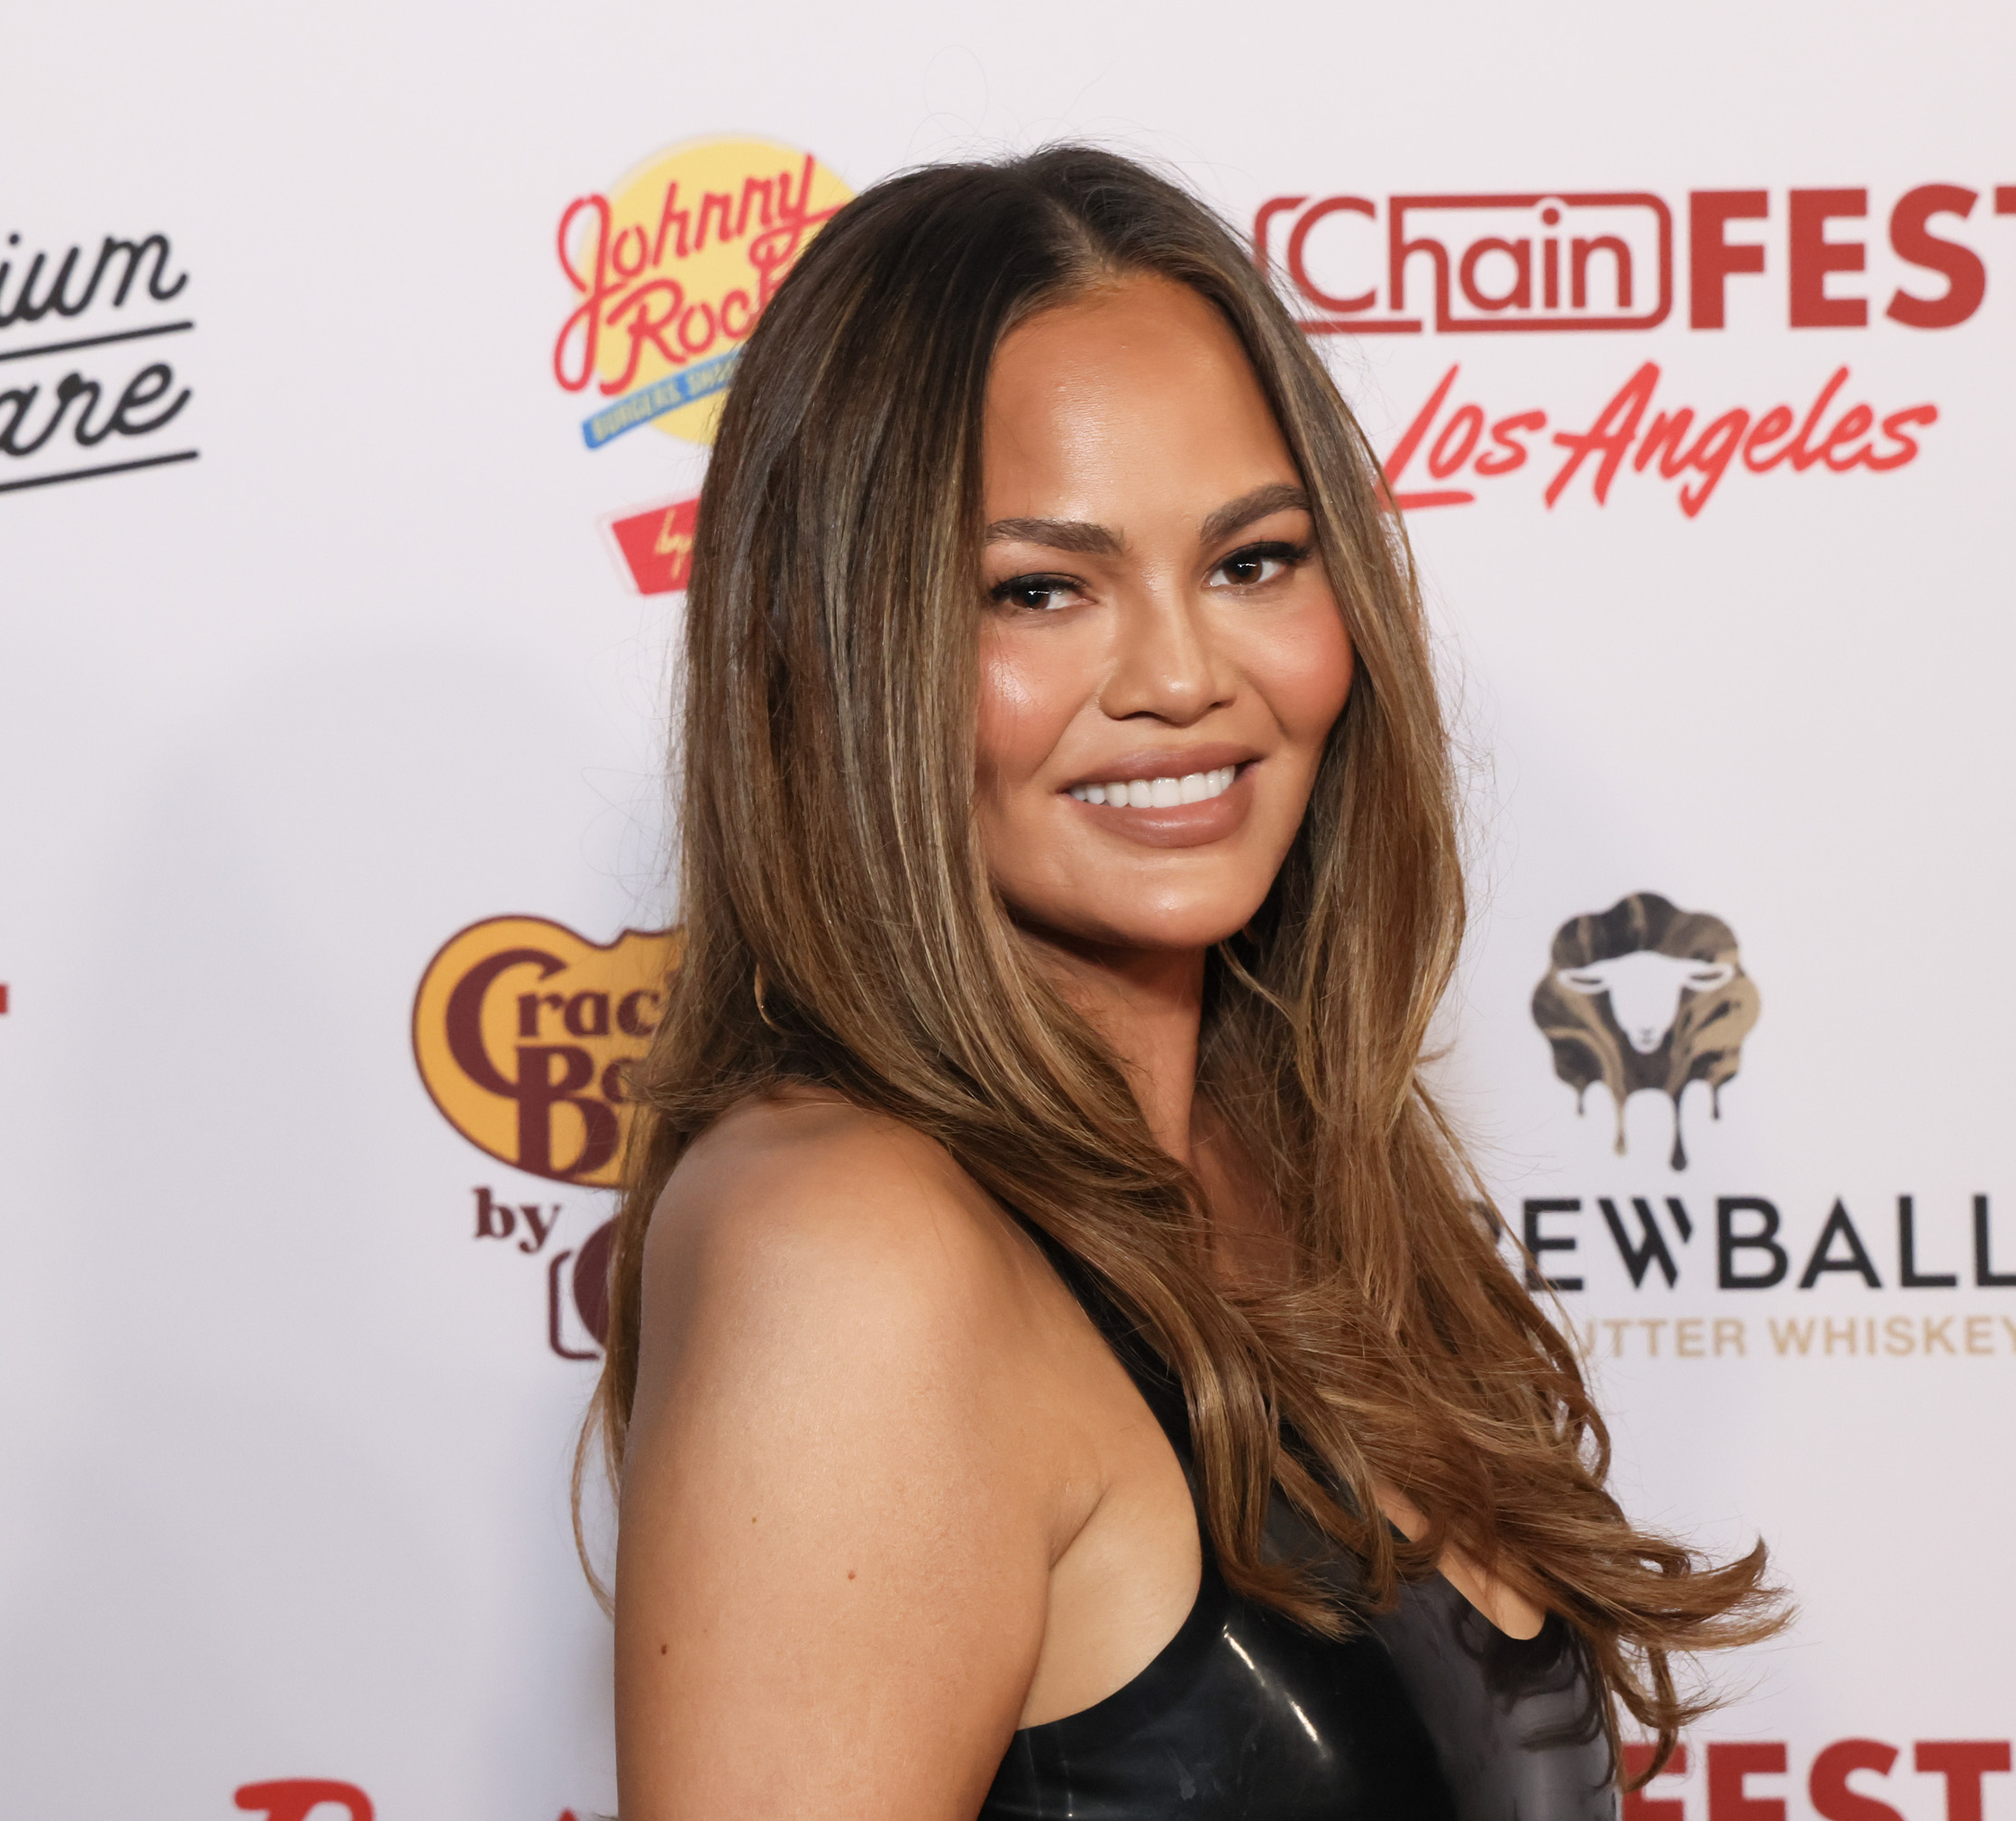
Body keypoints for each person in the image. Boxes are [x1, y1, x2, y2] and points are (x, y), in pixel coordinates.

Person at [587, 147, 1781, 1819]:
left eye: (1251, 561)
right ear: (836, 651)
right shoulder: (847, 1249)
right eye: (1039, 590)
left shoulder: (1296, 1159)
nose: (1179, 676)